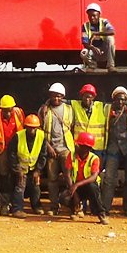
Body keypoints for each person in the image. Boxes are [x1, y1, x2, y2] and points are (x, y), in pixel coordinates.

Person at [39, 82, 76, 215]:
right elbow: (40, 131)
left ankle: (74, 207)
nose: (56, 99)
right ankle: (54, 207)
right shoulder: (44, 110)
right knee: (52, 180)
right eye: (54, 96)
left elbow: (72, 128)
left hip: (65, 148)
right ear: (50, 96)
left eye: (59, 96)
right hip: (51, 149)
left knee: (69, 178)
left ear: (63, 96)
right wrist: (48, 147)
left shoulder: (69, 109)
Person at [103, 86, 127, 216]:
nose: (120, 102)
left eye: (123, 100)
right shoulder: (107, 110)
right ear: (113, 99)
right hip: (113, 149)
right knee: (108, 178)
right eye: (118, 99)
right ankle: (105, 208)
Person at [71, 83, 107, 216]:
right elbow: (59, 99)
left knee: (94, 180)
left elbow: (117, 103)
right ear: (81, 96)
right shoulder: (74, 105)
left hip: (95, 147)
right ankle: (81, 208)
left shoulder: (101, 106)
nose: (88, 99)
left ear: (94, 97)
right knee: (80, 173)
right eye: (85, 96)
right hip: (80, 146)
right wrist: (46, 103)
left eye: (90, 97)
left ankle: (95, 208)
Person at [0, 94, 25, 215]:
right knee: (4, 177)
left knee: (18, 177)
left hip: (17, 150)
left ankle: (16, 206)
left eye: (10, 110)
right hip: (3, 149)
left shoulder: (19, 113)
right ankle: (4, 205)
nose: (8, 113)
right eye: (5, 111)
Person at [66, 132, 108, 224]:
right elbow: (68, 174)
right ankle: (76, 210)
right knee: (64, 197)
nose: (77, 146)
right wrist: (74, 191)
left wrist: (77, 185)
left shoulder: (94, 158)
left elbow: (93, 177)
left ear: (87, 148)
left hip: (90, 187)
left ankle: (101, 214)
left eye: (79, 145)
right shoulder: (72, 155)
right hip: (76, 186)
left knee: (92, 188)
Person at [9, 114, 46, 218]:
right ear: (25, 127)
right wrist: (18, 169)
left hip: (34, 167)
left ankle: (36, 206)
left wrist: (38, 170)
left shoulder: (41, 136)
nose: (32, 130)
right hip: (21, 167)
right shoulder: (18, 136)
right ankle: (17, 209)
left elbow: (43, 155)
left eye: (34, 128)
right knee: (20, 186)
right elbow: (11, 154)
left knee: (36, 186)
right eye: (29, 128)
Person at [80, 3, 117, 71]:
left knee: (110, 38)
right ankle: (92, 65)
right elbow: (85, 43)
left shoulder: (104, 22)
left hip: (105, 51)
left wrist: (96, 34)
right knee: (83, 52)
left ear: (99, 15)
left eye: (94, 15)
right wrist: (93, 48)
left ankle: (110, 66)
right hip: (94, 52)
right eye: (90, 16)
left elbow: (112, 32)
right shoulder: (85, 26)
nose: (92, 18)